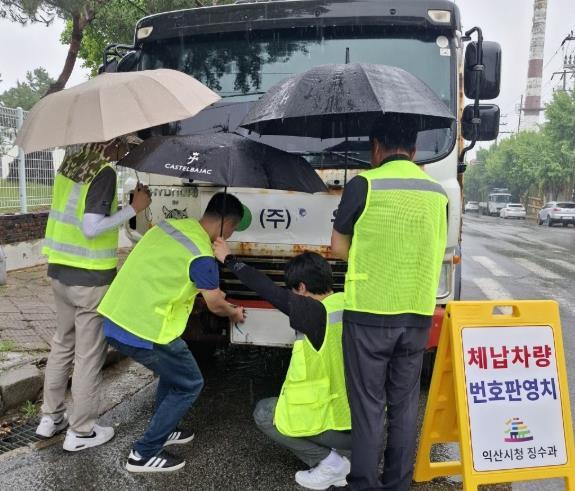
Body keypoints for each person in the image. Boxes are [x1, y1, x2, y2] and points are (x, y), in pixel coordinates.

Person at [330, 115, 448, 490]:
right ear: (413, 150)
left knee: (368, 406)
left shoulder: (363, 184)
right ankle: (397, 483)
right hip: (417, 313)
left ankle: (364, 484)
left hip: (369, 311)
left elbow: (338, 247)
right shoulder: (438, 193)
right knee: (405, 404)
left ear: (376, 148)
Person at [98, 192, 246, 473]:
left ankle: (163, 426)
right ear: (226, 224)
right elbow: (215, 303)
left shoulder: (171, 226)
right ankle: (143, 454)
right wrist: (234, 312)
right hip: (147, 328)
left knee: (173, 372)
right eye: (233, 228)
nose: (231, 234)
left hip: (117, 315)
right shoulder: (202, 254)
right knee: (190, 383)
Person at [36, 139, 151, 452]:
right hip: (89, 278)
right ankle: (82, 431)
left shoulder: (69, 165)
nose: (124, 151)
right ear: (110, 141)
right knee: (88, 354)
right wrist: (134, 208)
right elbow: (91, 227)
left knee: (62, 343)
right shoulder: (103, 172)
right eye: (123, 145)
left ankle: (50, 417)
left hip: (59, 269)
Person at [213, 243, 351, 490]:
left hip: (332, 422)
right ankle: (344, 454)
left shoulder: (313, 312)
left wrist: (230, 260)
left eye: (292, 290)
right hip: (363, 423)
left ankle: (331, 464)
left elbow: (267, 289)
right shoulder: (350, 303)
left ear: (302, 288)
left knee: (265, 413)